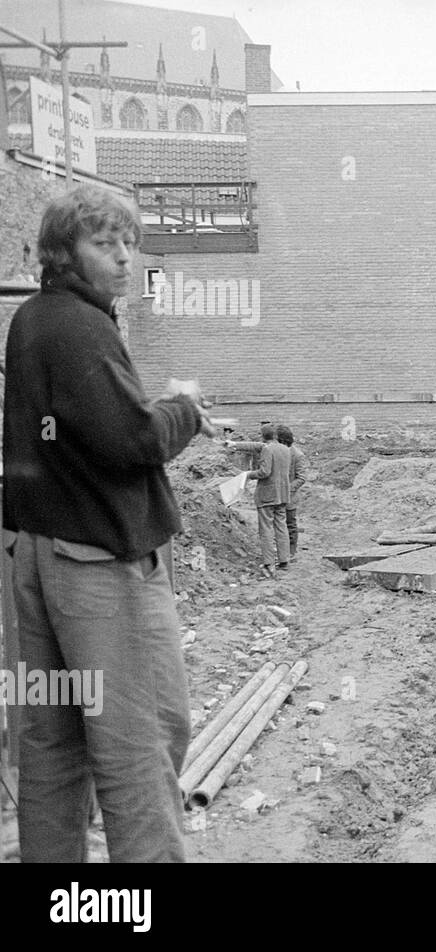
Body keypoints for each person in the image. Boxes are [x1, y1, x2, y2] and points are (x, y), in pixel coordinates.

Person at [3, 185, 214, 862]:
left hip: (35, 559)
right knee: (142, 741)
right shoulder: (82, 327)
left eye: (129, 242)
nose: (124, 258)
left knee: (53, 747)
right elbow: (131, 441)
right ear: (64, 253)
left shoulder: (31, 320)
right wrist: (184, 409)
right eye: (105, 244)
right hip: (98, 569)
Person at [242, 423, 292, 577]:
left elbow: (264, 472)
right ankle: (284, 560)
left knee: (266, 529)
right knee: (281, 526)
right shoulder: (285, 449)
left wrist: (247, 474)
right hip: (283, 493)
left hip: (267, 494)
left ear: (263, 436)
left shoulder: (266, 449)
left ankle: (269, 563)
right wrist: (236, 445)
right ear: (275, 435)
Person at [275, 424, 307, 560]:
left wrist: (287, 490)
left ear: (283, 441)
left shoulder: (297, 455)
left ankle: (291, 551)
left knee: (290, 524)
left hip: (289, 497)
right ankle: (281, 551)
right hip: (275, 495)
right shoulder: (275, 452)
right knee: (277, 525)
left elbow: (301, 478)